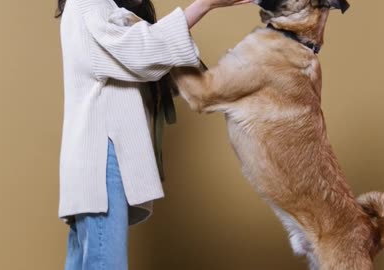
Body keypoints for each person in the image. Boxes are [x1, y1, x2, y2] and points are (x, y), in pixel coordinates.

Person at [55, 0, 252, 269]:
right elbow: (139, 52)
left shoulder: (98, 6)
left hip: (98, 158)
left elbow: (139, 45)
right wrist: (204, 5)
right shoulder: (88, 3)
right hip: (102, 157)